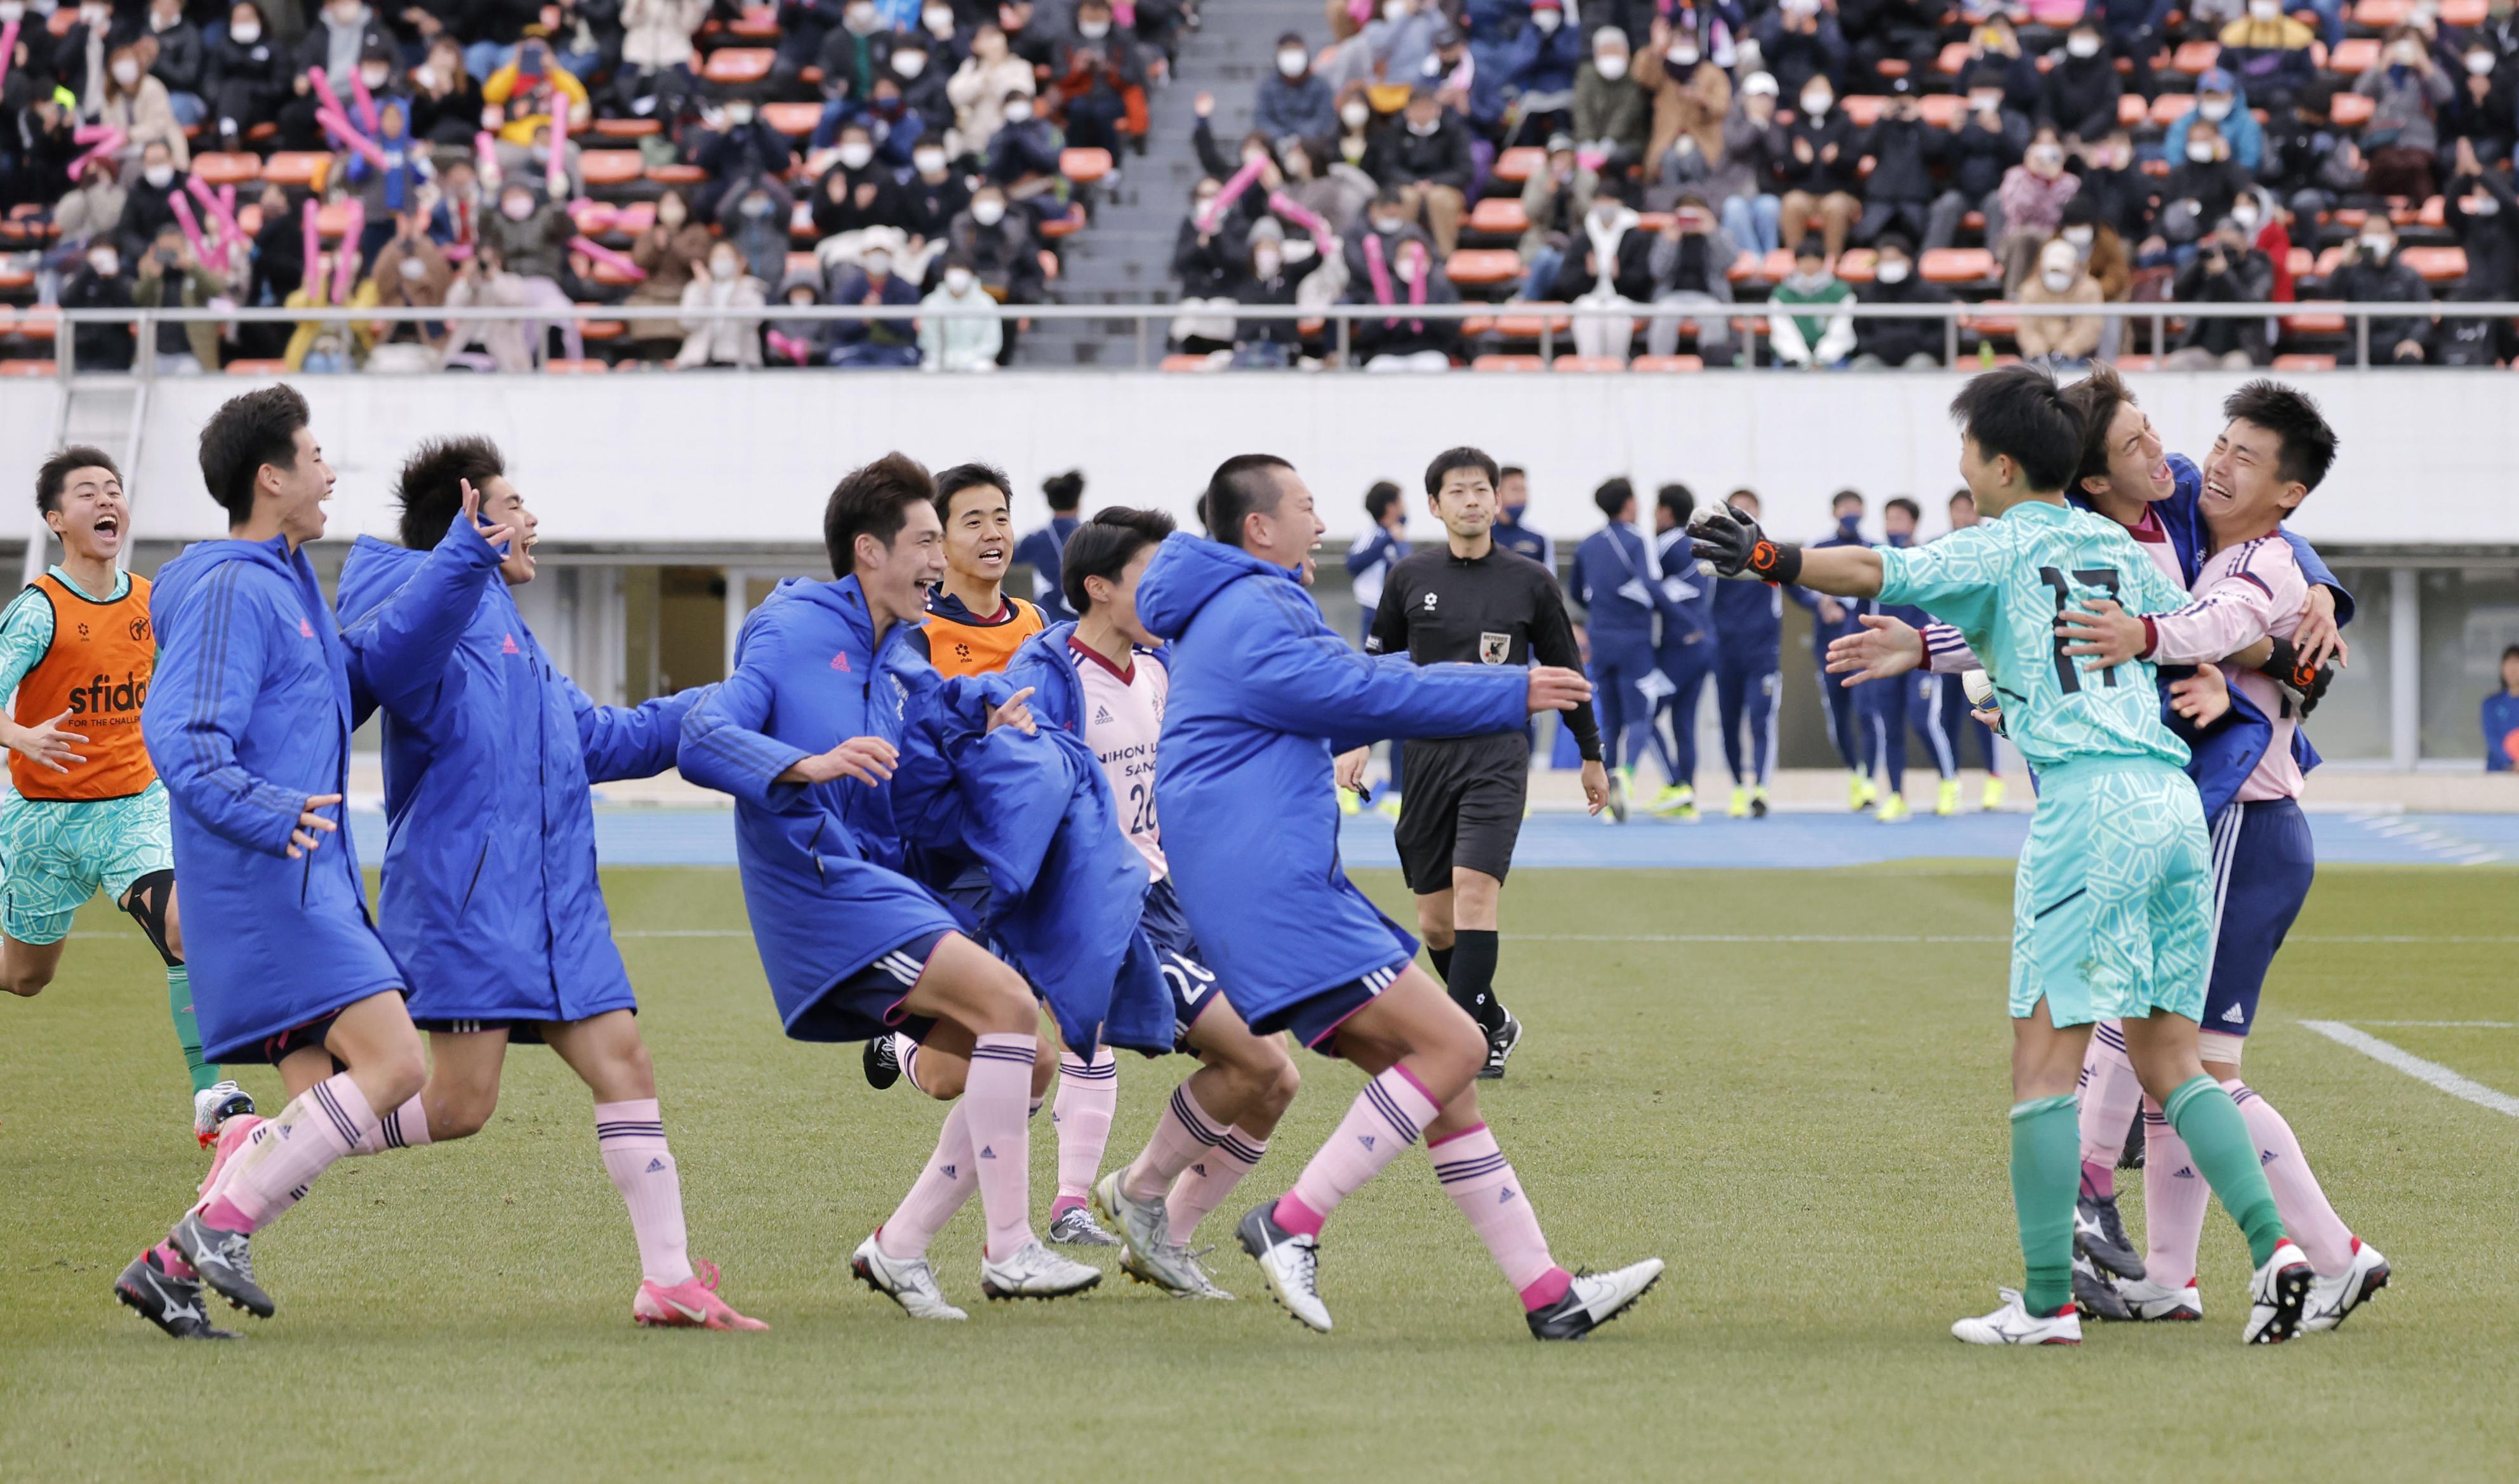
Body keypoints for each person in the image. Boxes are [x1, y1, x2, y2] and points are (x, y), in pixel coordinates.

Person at [1692, 368, 2316, 1348]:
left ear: (2001, 463)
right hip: (2168, 805)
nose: (1960, 463)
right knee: (2172, 1060)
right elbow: (2177, 635)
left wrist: (1771, 554)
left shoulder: (1997, 542)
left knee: (2041, 1068)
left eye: (1967, 448)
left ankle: (2045, 1304)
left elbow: (1873, 571)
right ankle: (2278, 1250)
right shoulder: (2116, 544)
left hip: (2089, 809)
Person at [1134, 452, 1663, 1339]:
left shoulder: (1235, 607)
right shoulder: (1249, 608)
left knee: (1445, 1083)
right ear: (1259, 528)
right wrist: (1511, 687)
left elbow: (1333, 704)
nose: (1321, 518)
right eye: (1305, 504)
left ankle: (1550, 1295)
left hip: (1269, 887)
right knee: (1456, 1042)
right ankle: (1290, 1222)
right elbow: (1362, 688)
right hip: (1277, 894)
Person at [329, 437, 763, 1330]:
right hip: (467, 900)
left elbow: (599, 740)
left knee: (624, 1061)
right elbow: (392, 664)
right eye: (514, 504)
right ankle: (270, 1152)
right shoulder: (421, 607)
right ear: (470, 516)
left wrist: (719, 703)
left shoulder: (506, 626)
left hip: (553, 907)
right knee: (457, 1105)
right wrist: (463, 554)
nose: (534, 520)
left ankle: (668, 1278)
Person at [113, 386, 513, 1340]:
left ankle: (172, 1264)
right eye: (317, 453)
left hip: (299, 875)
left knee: (345, 1088)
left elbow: (365, 670)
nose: (332, 471)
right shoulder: (228, 588)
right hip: (266, 880)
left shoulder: (285, 578)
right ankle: (218, 1221)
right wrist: (269, 809)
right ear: (272, 476)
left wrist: (461, 556)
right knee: (394, 1062)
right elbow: (180, 735)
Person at [679, 453, 1104, 1315]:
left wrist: (987, 704)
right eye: (924, 541)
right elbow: (700, 732)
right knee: (1013, 1008)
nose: (939, 560)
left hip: (881, 885)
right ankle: (1013, 1248)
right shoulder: (792, 625)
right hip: (820, 886)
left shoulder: (899, 646)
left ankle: (899, 1246)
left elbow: (933, 704)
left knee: (1029, 1063)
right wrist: (805, 762)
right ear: (869, 550)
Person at [2045, 383, 2389, 1333]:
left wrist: (2153, 639)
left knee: (2194, 1067)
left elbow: (2230, 616)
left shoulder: (2255, 556)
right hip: (2227, 823)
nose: (2211, 459)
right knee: (2176, 1062)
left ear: (2287, 492)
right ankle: (2165, 1272)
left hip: (2247, 822)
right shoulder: (2194, 511)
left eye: (2246, 454)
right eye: (2219, 441)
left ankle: (2337, 1253)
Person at [992, 508, 1303, 1297]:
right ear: (1097, 587)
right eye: (1149, 578)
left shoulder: (1161, 668)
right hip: (1115, 916)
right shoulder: (1049, 676)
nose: (1168, 594)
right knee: (1252, 1060)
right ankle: (1125, 1194)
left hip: (1185, 902)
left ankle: (1163, 1238)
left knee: (1278, 1082)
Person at [0, 449, 251, 1143]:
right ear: (57, 520)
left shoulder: (150, 601)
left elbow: (174, 696)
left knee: (183, 926)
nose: (106, 500)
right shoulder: (36, 612)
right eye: (87, 493)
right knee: (23, 979)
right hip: (40, 825)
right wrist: (19, 737)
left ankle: (213, 1095)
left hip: (131, 812)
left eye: (113, 489)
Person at [1345, 449, 1607, 1078]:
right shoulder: (1408, 577)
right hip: (1425, 756)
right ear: (1434, 505)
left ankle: (1456, 1049)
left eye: (1480, 490)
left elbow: (1567, 673)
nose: (1471, 501)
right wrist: (1354, 737)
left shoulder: (1530, 580)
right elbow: (1376, 667)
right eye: (1457, 492)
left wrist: (1591, 756)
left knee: (1473, 896)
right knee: (1434, 922)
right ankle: (1490, 1018)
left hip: (1497, 755)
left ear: (1496, 500)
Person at [1851, 497, 1957, 819]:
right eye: (1888, 520)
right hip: (1885, 656)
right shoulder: (1878, 561)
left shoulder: (1928, 559)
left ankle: (1949, 784)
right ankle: (1897, 795)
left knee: (1922, 719)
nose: (1892, 526)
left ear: (1913, 524)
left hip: (1922, 654)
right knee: (1890, 726)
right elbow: (1862, 609)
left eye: (1899, 519)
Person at [1570, 477, 1662, 820]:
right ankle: (1627, 774)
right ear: (1628, 504)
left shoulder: (1588, 544)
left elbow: (1576, 592)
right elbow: (1651, 583)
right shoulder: (1638, 539)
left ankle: (1605, 795)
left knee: (1609, 722)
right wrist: (1686, 620)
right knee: (1640, 715)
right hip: (1635, 638)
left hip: (1601, 639)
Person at [921, 464, 1047, 680]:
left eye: (1001, 520)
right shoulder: (918, 632)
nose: (993, 534)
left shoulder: (1037, 620)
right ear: (938, 542)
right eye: (974, 523)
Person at [1709, 487, 1781, 818]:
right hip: (1725, 654)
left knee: (1760, 719)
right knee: (1728, 723)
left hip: (1762, 655)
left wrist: (1825, 603)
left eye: (1749, 508)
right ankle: (1738, 787)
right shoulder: (1714, 556)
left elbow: (1799, 584)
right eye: (1737, 508)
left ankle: (1761, 790)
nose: (1743, 513)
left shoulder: (1771, 554)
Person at [1647, 483, 1716, 818]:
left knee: (1642, 713)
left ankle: (1676, 786)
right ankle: (1687, 798)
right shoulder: (1701, 546)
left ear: (1665, 511)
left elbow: (1648, 586)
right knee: (1683, 722)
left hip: (1680, 647)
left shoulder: (1667, 543)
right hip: (1704, 645)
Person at [1937, 489, 2004, 809]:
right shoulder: (1940, 549)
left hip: (1981, 648)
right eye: (1957, 511)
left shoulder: (1992, 547)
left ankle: (1994, 779)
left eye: (1968, 511)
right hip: (1946, 646)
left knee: (1985, 713)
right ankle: (1953, 782)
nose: (1962, 517)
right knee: (1947, 717)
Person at [1364, 84, 1473, 256]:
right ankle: (1398, 255)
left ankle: (1446, 257)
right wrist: (1414, 183)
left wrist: (1433, 183)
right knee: (1406, 198)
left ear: (1438, 110)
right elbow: (1388, 168)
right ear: (1407, 111)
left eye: (1427, 107)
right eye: (1417, 108)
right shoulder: (1395, 131)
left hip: (1444, 188)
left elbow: (1464, 170)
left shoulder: (1453, 131)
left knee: (1439, 199)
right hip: (1407, 186)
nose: (1422, 113)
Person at [2353, 29, 2452, 199]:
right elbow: (2360, 90)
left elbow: (2446, 94)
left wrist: (2424, 63)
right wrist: (2382, 64)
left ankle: (2421, 208)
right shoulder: (2385, 72)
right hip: (2385, 137)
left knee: (2415, 165)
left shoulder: (2427, 71)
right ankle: (2375, 208)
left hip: (2419, 140)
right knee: (2385, 163)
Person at [1771, 70, 1859, 258]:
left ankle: (1831, 263)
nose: (1816, 95)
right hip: (1804, 193)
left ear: (1832, 94)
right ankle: (1798, 262)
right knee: (1791, 203)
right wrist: (1800, 161)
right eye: (1811, 89)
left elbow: (1855, 161)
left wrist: (1838, 159)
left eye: (1821, 89)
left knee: (1835, 207)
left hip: (1838, 192)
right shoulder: (1793, 126)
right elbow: (1784, 166)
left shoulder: (1845, 123)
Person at [2325, 217, 2433, 366]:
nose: (2375, 237)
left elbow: (2424, 315)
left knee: (2410, 358)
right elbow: (2329, 295)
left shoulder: (2409, 275)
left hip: (2398, 344)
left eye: (2380, 232)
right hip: (2362, 344)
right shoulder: (2352, 273)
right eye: (2370, 232)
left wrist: (2413, 340)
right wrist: (2344, 265)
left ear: (2393, 238)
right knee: (2345, 359)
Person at [2167, 216, 2272, 369]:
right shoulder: (2207, 266)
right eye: (2223, 244)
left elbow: (2252, 306)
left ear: (2244, 242)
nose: (2227, 251)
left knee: (2237, 367)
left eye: (2231, 245)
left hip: (2243, 349)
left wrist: (2225, 273)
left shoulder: (2259, 266)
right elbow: (2179, 290)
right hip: (2204, 348)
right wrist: (2200, 261)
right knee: (2178, 362)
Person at [1851, 233, 1951, 370]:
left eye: (1895, 259)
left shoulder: (1930, 293)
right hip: (1877, 357)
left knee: (1920, 365)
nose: (1890, 264)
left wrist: (1912, 344)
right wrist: (1882, 346)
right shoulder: (1867, 294)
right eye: (1884, 260)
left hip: (1920, 355)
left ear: (1909, 261)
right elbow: (1861, 334)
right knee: (1861, 366)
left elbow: (1940, 333)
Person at [1767, 238, 1852, 369]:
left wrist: (1821, 359)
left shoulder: (1840, 292)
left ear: (1823, 263)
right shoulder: (1782, 294)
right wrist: (1803, 360)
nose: (1809, 266)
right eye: (1805, 261)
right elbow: (1783, 333)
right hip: (1791, 359)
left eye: (1814, 261)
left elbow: (1840, 331)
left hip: (1832, 360)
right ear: (1796, 263)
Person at [1013, 471, 1085, 623]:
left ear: (1050, 503)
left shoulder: (1036, 540)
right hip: (1084, 614)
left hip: (1047, 615)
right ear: (1078, 502)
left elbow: (1009, 557)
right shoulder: (1093, 536)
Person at [1345, 480, 1409, 646]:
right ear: (1391, 507)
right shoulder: (1372, 534)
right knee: (1375, 660)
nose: (1405, 508)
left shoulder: (1400, 538)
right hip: (1374, 612)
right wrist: (1387, 540)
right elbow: (1353, 563)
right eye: (1401, 502)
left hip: (1400, 614)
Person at [919, 255, 1002, 372]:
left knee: (984, 368)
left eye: (963, 270)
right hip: (940, 360)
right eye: (953, 269)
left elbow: (991, 343)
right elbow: (928, 341)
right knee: (928, 368)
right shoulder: (931, 302)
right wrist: (948, 361)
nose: (957, 275)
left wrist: (966, 361)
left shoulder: (986, 303)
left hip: (976, 362)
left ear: (971, 274)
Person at [1257, 30, 1336, 141]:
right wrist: (1282, 137)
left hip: (1312, 145)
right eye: (1287, 52)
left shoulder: (1321, 86)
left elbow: (1325, 119)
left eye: (1296, 51)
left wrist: (1301, 138)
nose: (1292, 57)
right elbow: (1262, 119)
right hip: (1277, 144)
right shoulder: (1267, 87)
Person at [1490, 466, 1552, 568]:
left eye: (1524, 490)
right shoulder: (1482, 535)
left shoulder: (1538, 538)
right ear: (1498, 494)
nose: (1521, 497)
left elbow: (1548, 579)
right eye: (1515, 490)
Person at [2485, 645, 2519, 772]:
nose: (2512, 669)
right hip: (2498, 774)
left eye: (2517, 663)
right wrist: (2513, 762)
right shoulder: (2491, 704)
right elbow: (2492, 738)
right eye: (2508, 663)